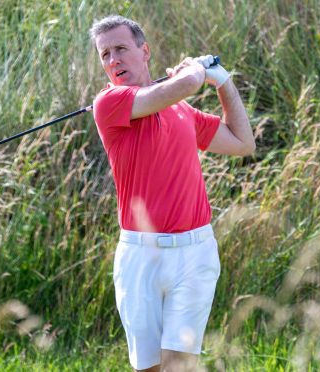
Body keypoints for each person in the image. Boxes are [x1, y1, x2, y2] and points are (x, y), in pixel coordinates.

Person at [89, 15, 255, 371]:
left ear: (144, 51)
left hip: (195, 254)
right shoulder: (109, 103)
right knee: (149, 368)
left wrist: (222, 81)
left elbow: (243, 142)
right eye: (105, 55)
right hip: (140, 256)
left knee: (179, 366)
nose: (113, 60)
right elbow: (184, 85)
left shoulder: (183, 111)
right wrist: (196, 70)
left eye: (121, 49)